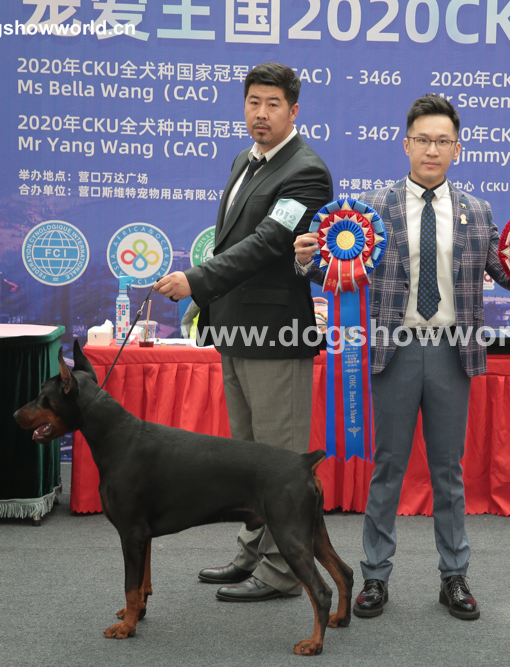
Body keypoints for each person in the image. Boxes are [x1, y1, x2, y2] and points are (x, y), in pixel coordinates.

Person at [294, 95, 510, 621]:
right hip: (394, 350)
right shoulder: (371, 209)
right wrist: (307, 260)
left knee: (449, 471)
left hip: (452, 352)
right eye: (423, 140)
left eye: (442, 141)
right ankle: (375, 577)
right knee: (389, 467)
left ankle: (454, 576)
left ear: (457, 148)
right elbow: (337, 272)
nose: (432, 149)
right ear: (406, 145)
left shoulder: (477, 211)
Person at [154, 62, 333, 602]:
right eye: (254, 101)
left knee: (280, 461)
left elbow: (267, 244)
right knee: (248, 459)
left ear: (293, 111)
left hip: (276, 335)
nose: (261, 113)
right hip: (235, 331)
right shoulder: (244, 160)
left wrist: (196, 281)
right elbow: (233, 240)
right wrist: (209, 302)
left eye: (273, 104)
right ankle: (252, 551)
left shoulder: (306, 172)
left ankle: (282, 571)